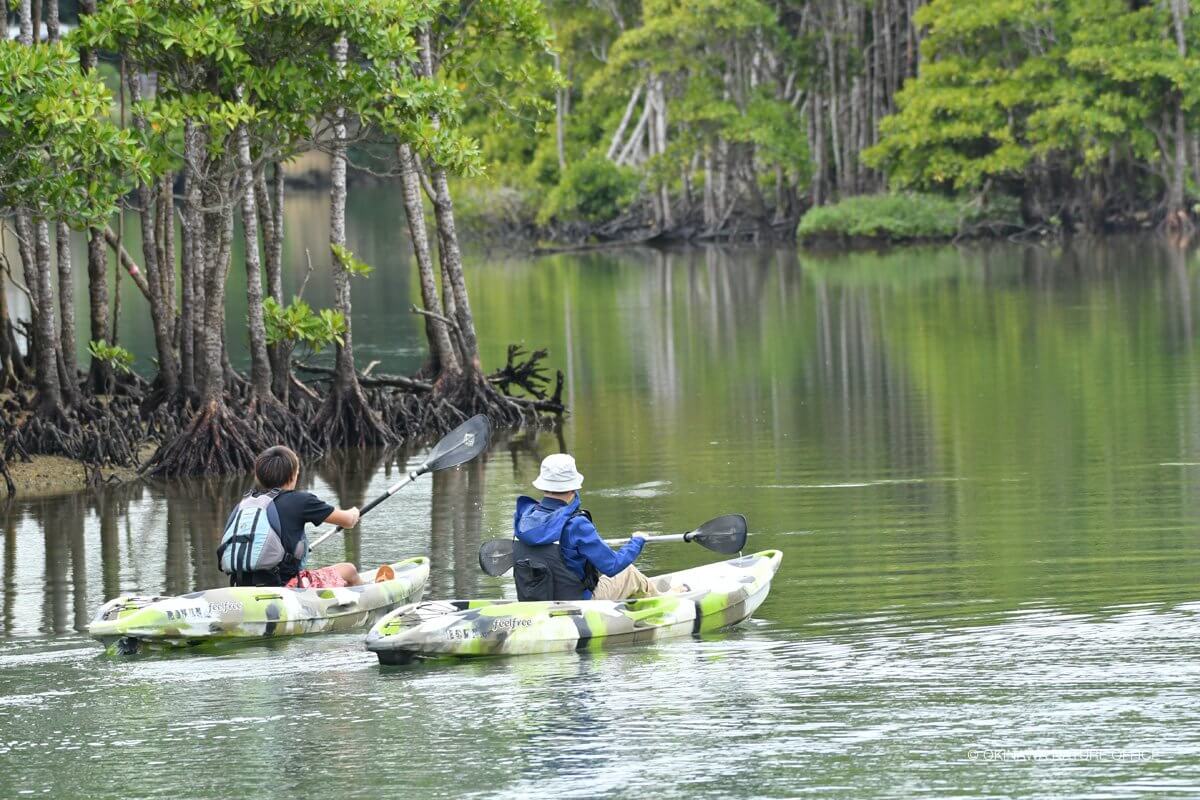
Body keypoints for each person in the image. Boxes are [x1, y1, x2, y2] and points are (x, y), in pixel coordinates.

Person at [512, 453, 660, 602]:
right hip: (578, 606)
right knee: (629, 573)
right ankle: (665, 600)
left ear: (543, 487)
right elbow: (612, 566)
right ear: (573, 488)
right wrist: (637, 541)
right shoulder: (576, 524)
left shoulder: (523, 520)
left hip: (538, 604)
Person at [218, 445, 364, 588]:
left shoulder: (244, 504)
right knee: (349, 570)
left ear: (258, 476)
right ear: (294, 474)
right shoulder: (302, 501)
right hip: (286, 587)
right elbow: (348, 521)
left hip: (241, 586)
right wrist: (354, 512)